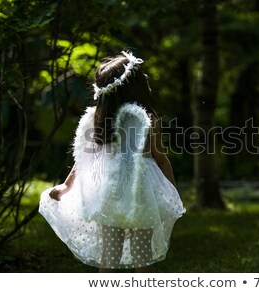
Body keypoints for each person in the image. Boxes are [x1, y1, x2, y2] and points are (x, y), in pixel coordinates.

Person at [39, 51, 185, 273]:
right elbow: (161, 158)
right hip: (140, 193)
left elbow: (82, 159)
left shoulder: (96, 118)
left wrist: (66, 186)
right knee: (143, 256)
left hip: (109, 193)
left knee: (109, 255)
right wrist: (171, 192)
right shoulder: (147, 119)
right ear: (134, 87)